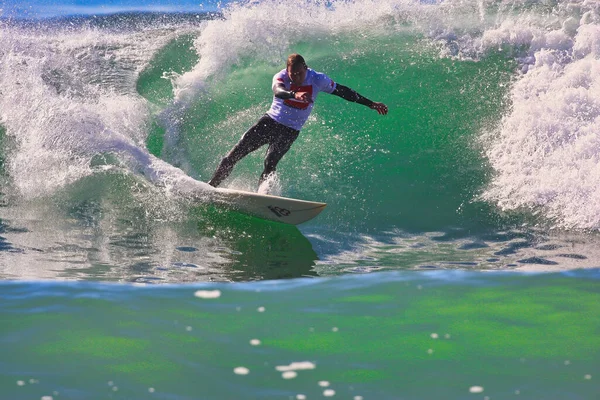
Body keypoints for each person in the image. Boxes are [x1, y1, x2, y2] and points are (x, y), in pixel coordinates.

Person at [208, 53, 388, 188]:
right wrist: (294, 93)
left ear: (306, 68)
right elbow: (278, 91)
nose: (296, 77)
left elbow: (343, 91)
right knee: (234, 154)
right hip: (269, 122)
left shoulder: (318, 79)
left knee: (270, 163)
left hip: (291, 129)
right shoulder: (281, 77)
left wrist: (370, 103)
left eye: (299, 73)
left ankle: (263, 197)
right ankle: (211, 186)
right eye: (292, 74)